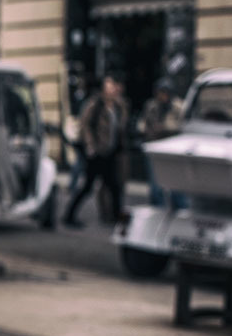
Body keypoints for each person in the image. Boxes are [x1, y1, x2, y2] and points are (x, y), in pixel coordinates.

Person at [63, 72, 129, 228]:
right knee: (88, 186)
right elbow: (86, 126)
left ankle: (115, 216)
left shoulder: (118, 106)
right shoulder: (95, 104)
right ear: (103, 89)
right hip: (97, 153)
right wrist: (91, 146)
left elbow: (121, 126)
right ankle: (69, 215)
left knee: (114, 186)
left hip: (111, 152)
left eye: (113, 86)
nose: (112, 89)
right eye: (109, 86)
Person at [138, 77, 185, 209]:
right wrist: (145, 129)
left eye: (164, 93)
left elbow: (183, 126)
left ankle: (180, 212)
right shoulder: (151, 106)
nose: (162, 96)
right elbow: (143, 122)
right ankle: (158, 212)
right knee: (155, 188)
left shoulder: (179, 107)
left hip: (172, 150)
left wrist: (164, 127)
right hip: (154, 148)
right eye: (159, 92)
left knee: (177, 187)